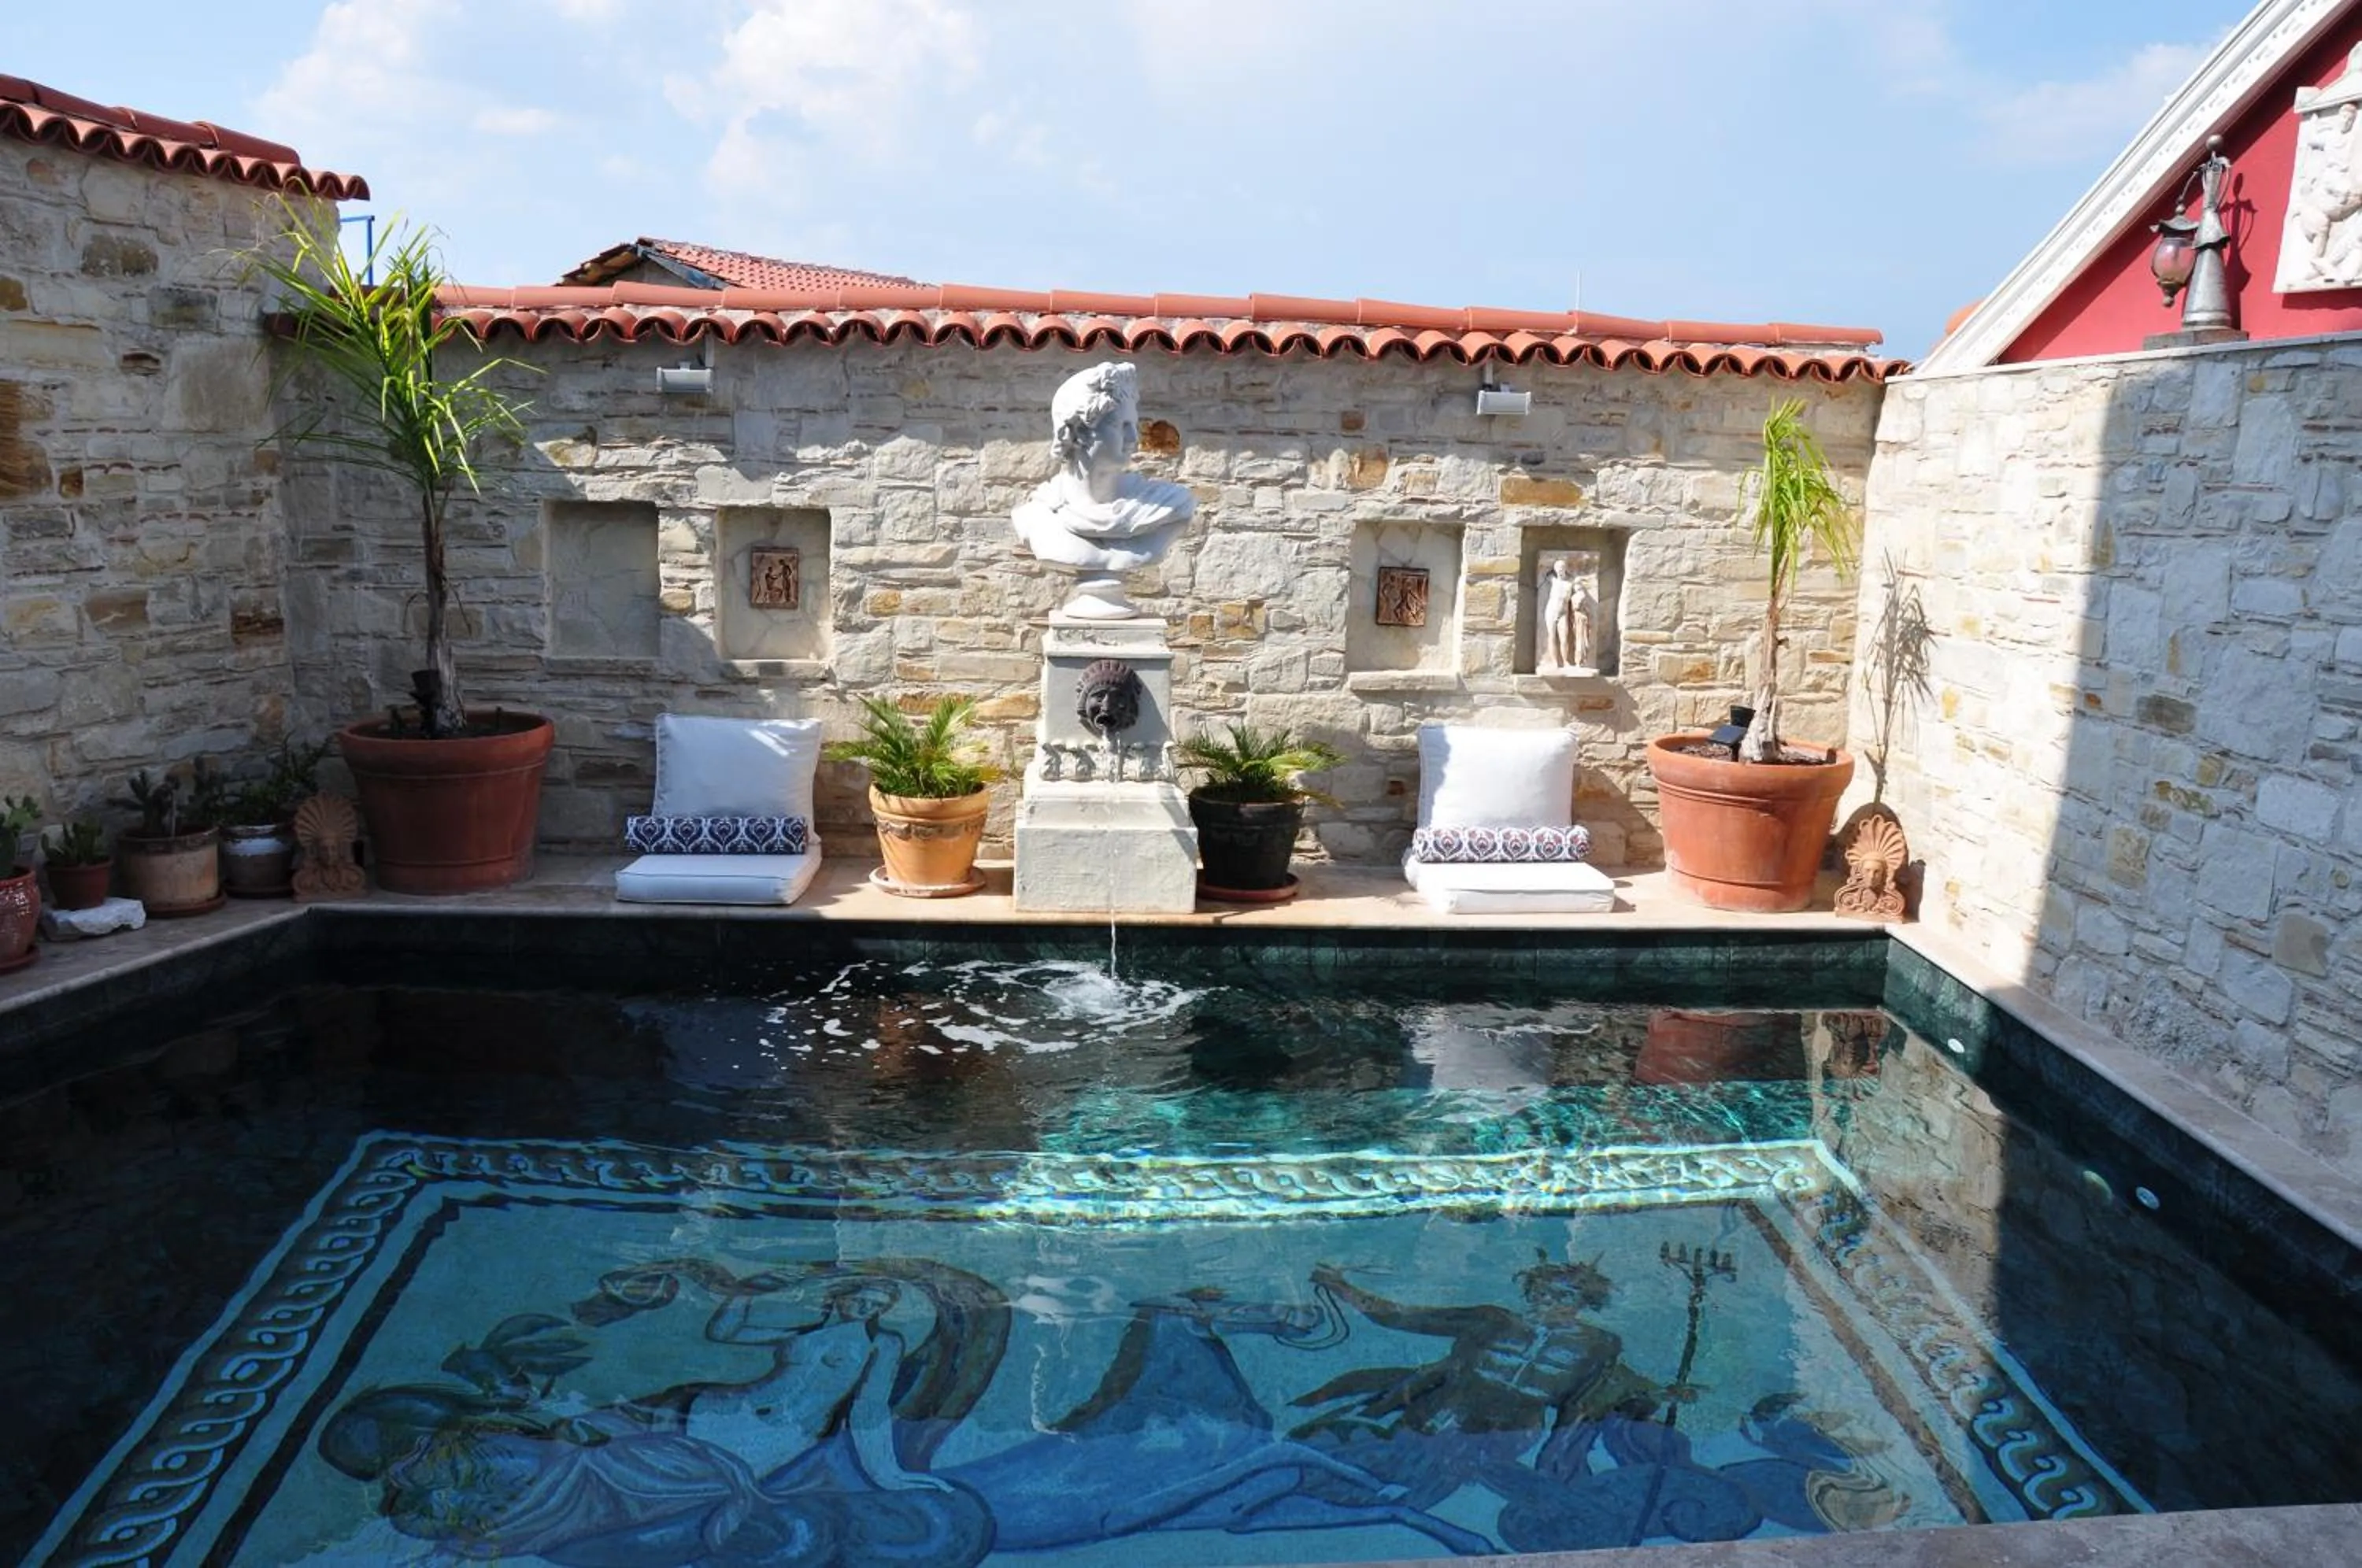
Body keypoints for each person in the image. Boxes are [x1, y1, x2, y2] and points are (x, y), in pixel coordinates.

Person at [1012, 362, 1194, 616]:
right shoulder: (1037, 517)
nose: (1134, 439)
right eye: (1120, 426)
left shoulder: (1167, 506)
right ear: (1077, 434)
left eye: (1134, 425)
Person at [1539, 556, 1597, 672]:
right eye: (1557, 568)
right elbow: (1543, 570)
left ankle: (1565, 662)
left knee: (1564, 637)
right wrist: (1552, 564)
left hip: (1563, 612)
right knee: (1551, 636)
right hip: (1551, 610)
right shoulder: (1552, 579)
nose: (1560, 570)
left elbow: (1580, 590)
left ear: (1565, 568)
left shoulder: (1570, 582)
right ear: (1555, 570)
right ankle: (1555, 662)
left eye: (1562, 567)